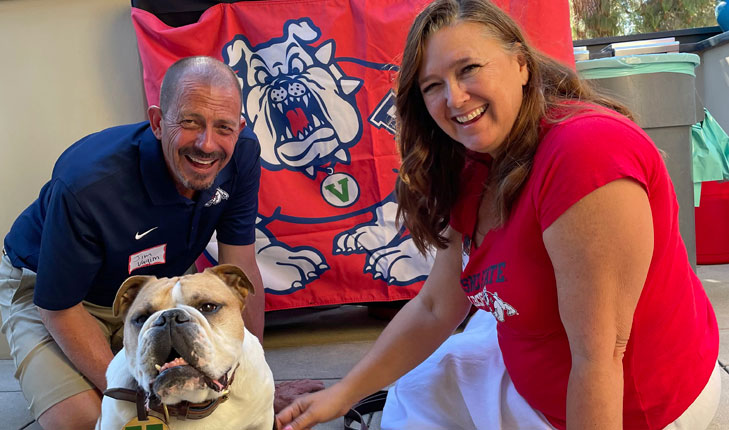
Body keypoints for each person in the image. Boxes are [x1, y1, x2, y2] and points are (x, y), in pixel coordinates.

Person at [275, 0, 721, 429]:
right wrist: (343, 393)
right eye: (432, 86)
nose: (453, 97)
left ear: (522, 64)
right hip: (534, 374)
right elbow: (435, 307)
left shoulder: (586, 154)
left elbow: (600, 358)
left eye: (468, 69)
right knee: (413, 388)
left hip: (635, 409)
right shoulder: (476, 159)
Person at [0, 56, 321, 430]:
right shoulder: (88, 185)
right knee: (88, 420)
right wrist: (137, 395)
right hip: (57, 296)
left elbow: (241, 267)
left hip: (157, 291)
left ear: (239, 128)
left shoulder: (242, 154)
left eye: (223, 127)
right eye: (189, 122)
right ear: (157, 122)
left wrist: (248, 379)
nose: (207, 143)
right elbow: (58, 309)